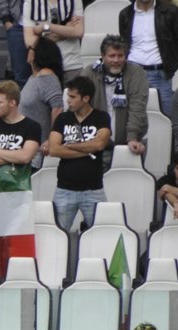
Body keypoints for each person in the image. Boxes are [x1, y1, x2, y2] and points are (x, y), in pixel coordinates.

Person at [47, 76, 112, 233]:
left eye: (72, 96)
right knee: (58, 235)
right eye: (68, 96)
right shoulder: (62, 118)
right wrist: (88, 150)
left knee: (100, 235)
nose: (68, 100)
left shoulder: (101, 117)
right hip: (64, 189)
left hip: (93, 190)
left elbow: (99, 144)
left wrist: (70, 145)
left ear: (86, 98)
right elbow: (54, 149)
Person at [120, 0, 178, 116]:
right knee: (132, 115)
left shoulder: (171, 11)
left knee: (166, 115)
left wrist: (170, 67)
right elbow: (124, 43)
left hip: (160, 73)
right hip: (133, 73)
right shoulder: (125, 14)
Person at [88, 37, 150, 155]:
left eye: (120, 55)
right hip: (96, 142)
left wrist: (132, 137)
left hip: (131, 141)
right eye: (112, 56)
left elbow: (137, 107)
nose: (116, 60)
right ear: (102, 56)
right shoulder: (90, 72)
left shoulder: (136, 72)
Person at [23, 0, 84, 72]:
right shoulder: (30, 2)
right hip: (45, 67)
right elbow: (30, 41)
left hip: (72, 63)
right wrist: (66, 31)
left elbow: (78, 32)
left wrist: (45, 27)